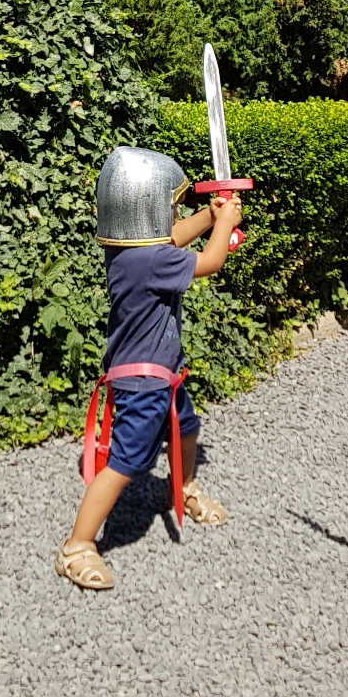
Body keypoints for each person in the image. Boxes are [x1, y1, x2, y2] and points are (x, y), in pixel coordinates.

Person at [55, 146, 242, 591]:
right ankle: (77, 546)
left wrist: (206, 216)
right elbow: (212, 261)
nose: (173, 215)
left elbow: (170, 238)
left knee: (187, 428)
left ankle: (184, 487)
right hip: (144, 381)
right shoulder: (154, 260)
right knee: (125, 462)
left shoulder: (128, 251)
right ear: (145, 210)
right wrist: (227, 226)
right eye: (171, 208)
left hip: (163, 373)